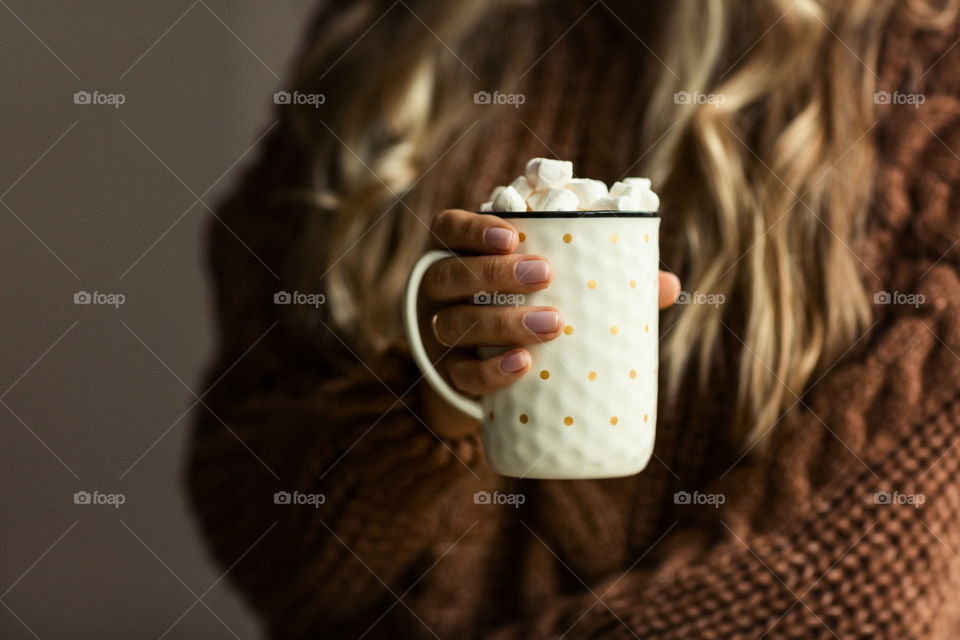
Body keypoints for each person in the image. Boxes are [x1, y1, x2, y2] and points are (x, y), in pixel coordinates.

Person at [187, 0, 960, 637]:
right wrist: (430, 405)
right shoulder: (385, 43)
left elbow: (867, 601)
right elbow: (267, 541)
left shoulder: (925, 67)